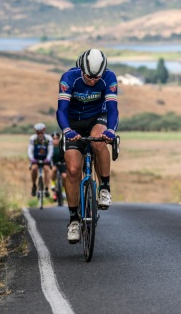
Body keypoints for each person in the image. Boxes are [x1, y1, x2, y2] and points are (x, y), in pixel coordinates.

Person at [56, 48, 119, 244]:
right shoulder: (69, 78)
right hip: (73, 122)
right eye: (88, 77)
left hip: (96, 118)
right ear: (81, 69)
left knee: (99, 140)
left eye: (96, 78)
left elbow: (113, 109)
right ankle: (74, 219)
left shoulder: (109, 78)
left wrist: (111, 131)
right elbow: (61, 110)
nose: (92, 81)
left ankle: (105, 187)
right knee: (73, 171)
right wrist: (67, 131)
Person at [28, 122, 53, 198]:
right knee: (34, 168)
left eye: (41, 132)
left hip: (45, 159)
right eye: (38, 132)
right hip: (35, 159)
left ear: (44, 131)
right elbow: (30, 150)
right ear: (36, 132)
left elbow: (50, 150)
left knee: (46, 169)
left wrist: (48, 159)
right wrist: (32, 159)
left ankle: (46, 188)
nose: (39, 134)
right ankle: (34, 185)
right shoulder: (33, 139)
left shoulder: (48, 139)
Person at [50, 131, 67, 203]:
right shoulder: (50, 147)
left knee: (64, 176)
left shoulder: (62, 145)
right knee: (54, 169)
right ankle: (53, 184)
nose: (55, 140)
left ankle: (63, 191)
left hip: (62, 163)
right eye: (53, 139)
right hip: (53, 163)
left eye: (57, 138)